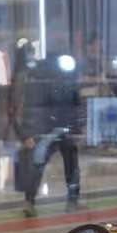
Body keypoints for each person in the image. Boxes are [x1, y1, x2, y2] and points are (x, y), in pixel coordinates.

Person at [9, 44, 81, 218]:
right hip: (53, 127)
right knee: (53, 163)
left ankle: (32, 201)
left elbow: (73, 102)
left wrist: (25, 134)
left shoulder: (36, 75)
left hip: (52, 127)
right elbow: (24, 107)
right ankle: (68, 200)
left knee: (43, 163)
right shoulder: (35, 76)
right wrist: (24, 134)